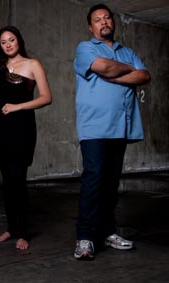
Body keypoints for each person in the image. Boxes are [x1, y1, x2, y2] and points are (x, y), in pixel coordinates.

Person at [73, 4, 151, 260]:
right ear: (91, 26)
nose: (103, 22)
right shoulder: (85, 48)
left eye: (107, 18)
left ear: (112, 23)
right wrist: (127, 69)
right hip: (94, 127)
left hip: (121, 126)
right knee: (93, 180)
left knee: (111, 183)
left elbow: (144, 75)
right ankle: (84, 237)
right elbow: (103, 67)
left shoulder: (127, 51)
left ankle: (107, 231)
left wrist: (119, 74)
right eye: (98, 19)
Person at [0, 26, 52, 250]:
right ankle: (11, 228)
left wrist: (18, 106)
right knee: (7, 181)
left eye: (12, 39)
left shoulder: (33, 64)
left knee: (19, 180)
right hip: (2, 128)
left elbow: (47, 98)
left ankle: (23, 232)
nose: (8, 44)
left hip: (22, 127)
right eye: (3, 42)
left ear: (19, 40)